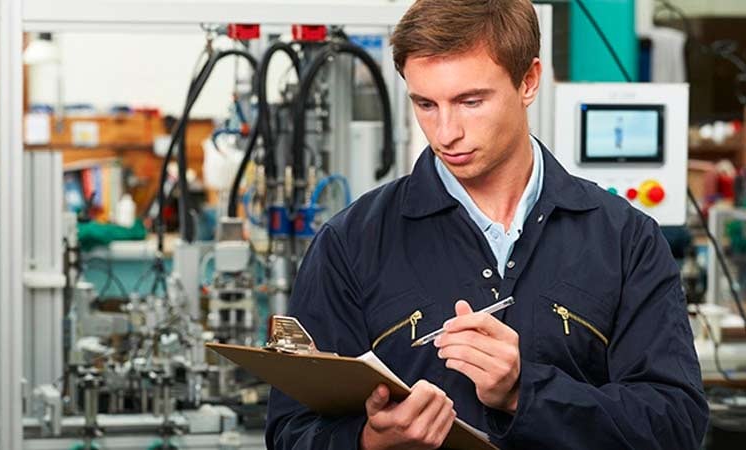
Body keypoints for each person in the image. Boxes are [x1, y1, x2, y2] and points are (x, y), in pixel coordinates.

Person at [265, 0, 709, 448]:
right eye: (425, 104)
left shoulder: (625, 240)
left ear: (529, 81)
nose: (445, 132)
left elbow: (676, 426)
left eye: (470, 102)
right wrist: (368, 441)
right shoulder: (350, 243)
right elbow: (290, 432)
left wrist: (524, 391)